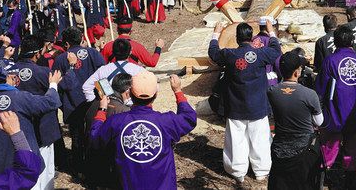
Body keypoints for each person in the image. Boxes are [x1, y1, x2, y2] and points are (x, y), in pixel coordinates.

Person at [89, 72, 196, 190]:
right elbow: (189, 118)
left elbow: (95, 137)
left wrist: (102, 109)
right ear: (156, 94)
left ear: (129, 93)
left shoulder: (117, 121)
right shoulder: (166, 121)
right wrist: (177, 91)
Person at [208, 21, 281, 184]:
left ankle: (238, 171)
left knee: (236, 139)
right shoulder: (262, 54)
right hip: (258, 105)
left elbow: (213, 53)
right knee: (260, 138)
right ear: (251, 37)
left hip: (236, 106)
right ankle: (261, 171)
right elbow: (276, 51)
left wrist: (216, 34)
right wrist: (271, 32)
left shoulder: (230, 54)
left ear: (237, 38)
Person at [0, 61, 62, 176]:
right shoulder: (21, 98)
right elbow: (51, 102)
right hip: (22, 164)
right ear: (11, 77)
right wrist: (53, 84)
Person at [12, 34, 78, 190]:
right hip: (42, 127)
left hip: (16, 126)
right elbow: (68, 83)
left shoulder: (9, 71)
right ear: (37, 54)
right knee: (44, 168)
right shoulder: (43, 72)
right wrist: (72, 66)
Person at [314, 23, 356, 187]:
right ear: (352, 41)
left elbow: (320, 89)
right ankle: (350, 180)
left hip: (334, 112)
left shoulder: (330, 61)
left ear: (335, 42)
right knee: (353, 148)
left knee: (330, 146)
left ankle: (324, 177)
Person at [51, 26, 104, 174]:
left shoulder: (60, 59)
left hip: (72, 104)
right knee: (96, 133)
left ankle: (80, 169)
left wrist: (62, 104)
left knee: (77, 138)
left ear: (66, 44)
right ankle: (95, 166)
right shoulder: (94, 53)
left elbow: (56, 84)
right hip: (95, 103)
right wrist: (106, 97)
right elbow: (103, 76)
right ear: (81, 39)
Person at [267, 51, 323, 190]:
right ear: (297, 72)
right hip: (303, 149)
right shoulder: (309, 94)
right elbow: (319, 121)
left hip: (279, 147)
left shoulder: (272, 91)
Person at [84, 73, 132, 189]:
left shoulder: (95, 104)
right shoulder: (124, 111)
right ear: (127, 91)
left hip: (92, 161)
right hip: (111, 165)